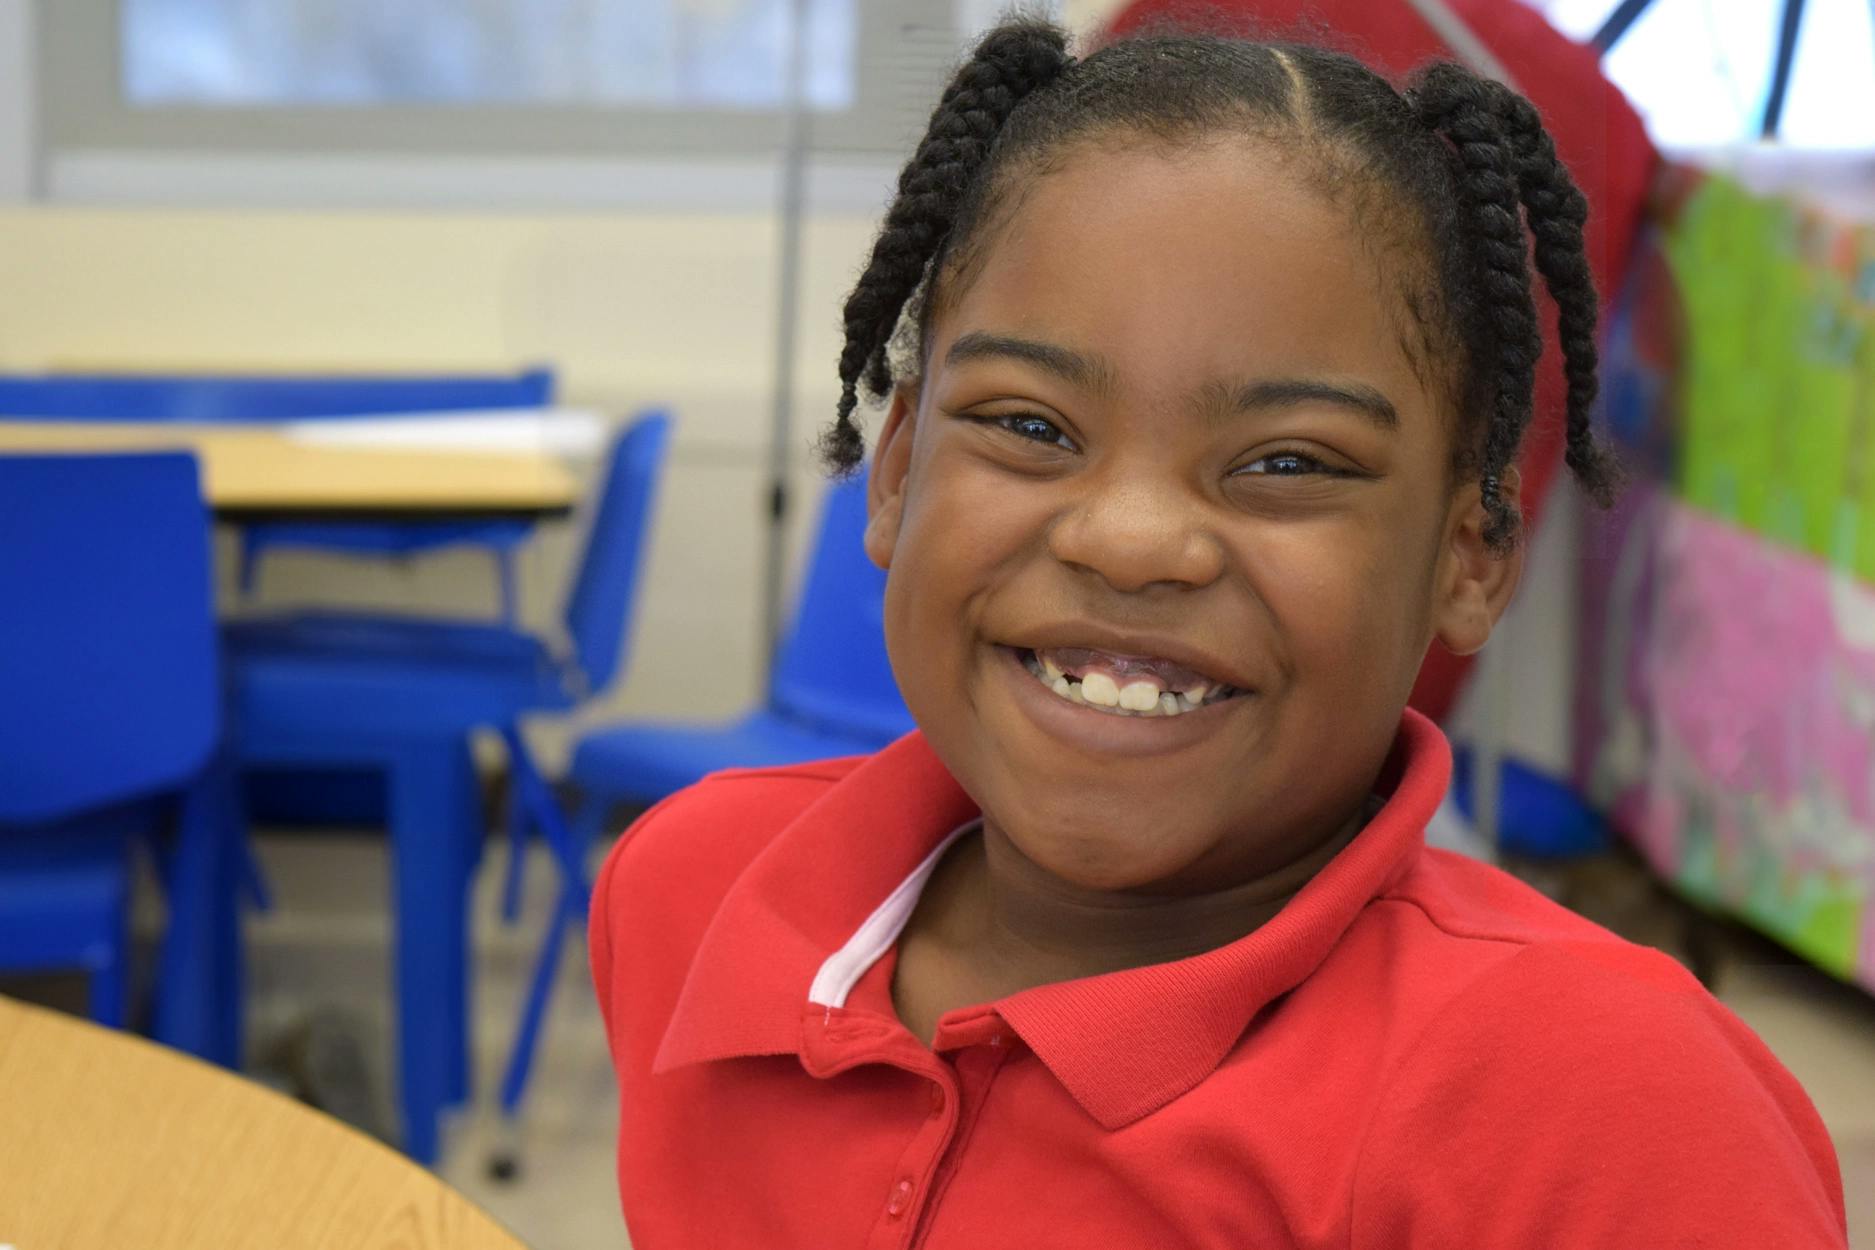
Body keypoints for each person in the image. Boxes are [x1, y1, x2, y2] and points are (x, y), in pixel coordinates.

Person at [591, 19, 1846, 1247]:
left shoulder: (1608, 1107)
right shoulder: (691, 891)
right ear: (899, 466)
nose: (1131, 540)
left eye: (1288, 460)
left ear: (1471, 555)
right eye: (1030, 425)